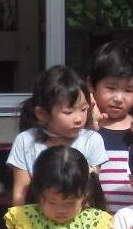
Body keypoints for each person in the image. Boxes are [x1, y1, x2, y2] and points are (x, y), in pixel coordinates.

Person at [7, 64, 107, 206]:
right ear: (42, 114)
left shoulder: (91, 140)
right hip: (36, 221)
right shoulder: (25, 141)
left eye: (84, 109)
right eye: (68, 112)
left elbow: (91, 193)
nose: (78, 118)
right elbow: (20, 194)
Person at [87, 40, 133, 213]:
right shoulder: (83, 130)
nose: (119, 97)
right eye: (111, 87)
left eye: (129, 90)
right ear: (91, 85)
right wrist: (90, 131)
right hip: (93, 225)